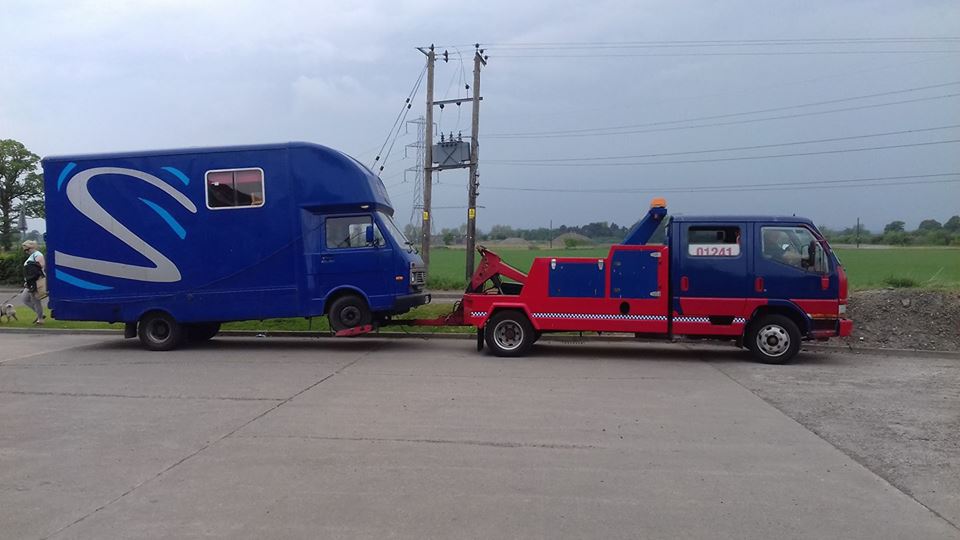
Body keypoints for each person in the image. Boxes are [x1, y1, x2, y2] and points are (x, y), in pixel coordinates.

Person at [20, 240, 46, 324]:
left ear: (31, 248)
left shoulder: (38, 255)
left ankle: (40, 319)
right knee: (25, 299)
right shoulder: (33, 255)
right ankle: (41, 314)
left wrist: (31, 280)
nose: (26, 252)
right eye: (25, 250)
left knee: (35, 300)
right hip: (30, 281)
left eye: (26, 249)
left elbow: (39, 267)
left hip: (36, 281)